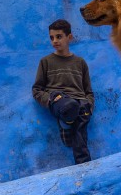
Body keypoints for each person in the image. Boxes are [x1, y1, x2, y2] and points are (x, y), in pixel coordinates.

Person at [32, 19, 95, 164]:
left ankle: (85, 168)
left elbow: (88, 91)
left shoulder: (80, 63)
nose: (54, 41)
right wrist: (49, 99)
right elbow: (36, 90)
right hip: (59, 100)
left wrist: (90, 105)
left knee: (81, 135)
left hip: (80, 103)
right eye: (51, 37)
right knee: (70, 106)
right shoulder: (46, 62)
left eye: (59, 36)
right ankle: (67, 120)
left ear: (69, 37)